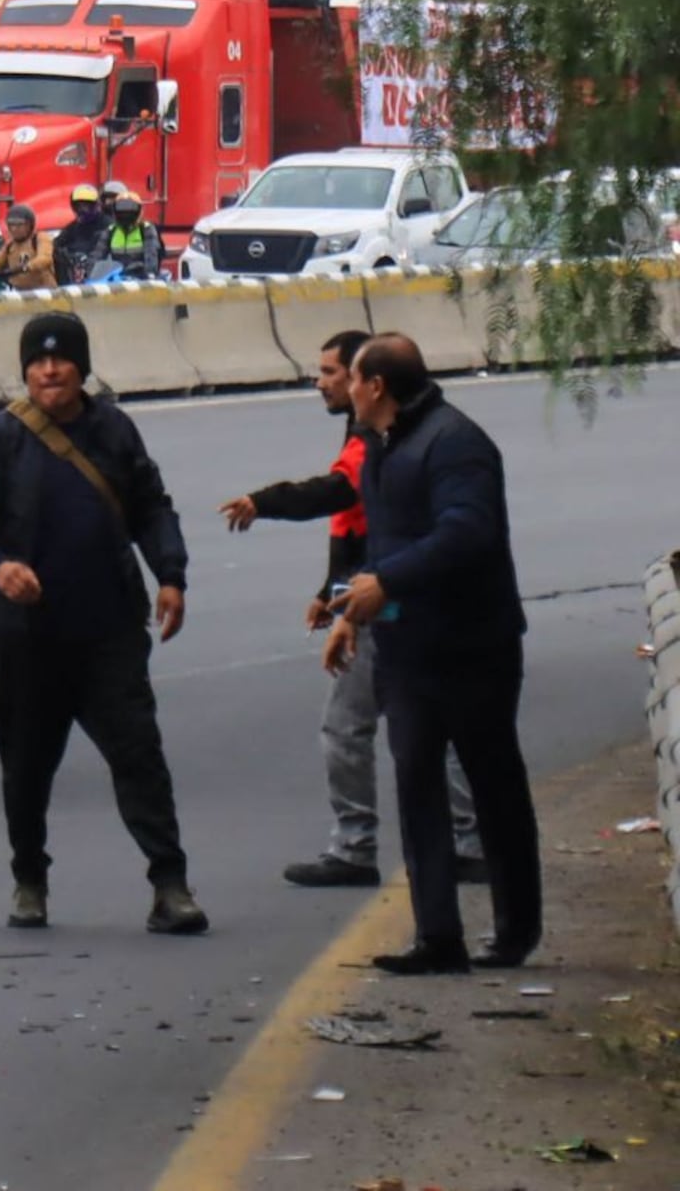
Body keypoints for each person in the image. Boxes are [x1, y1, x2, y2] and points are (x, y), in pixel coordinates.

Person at [0, 311, 207, 936]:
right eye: (37, 362)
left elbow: (151, 507)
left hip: (109, 631)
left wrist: (171, 575)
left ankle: (170, 885)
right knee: (26, 767)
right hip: (29, 638)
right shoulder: (1, 438)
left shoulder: (114, 430)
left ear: (82, 368)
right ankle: (29, 880)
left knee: (139, 756)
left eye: (60, 360)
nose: (49, 371)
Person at [219, 330, 485, 888]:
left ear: (373, 383)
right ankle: (466, 843)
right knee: (432, 723)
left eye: (334, 374)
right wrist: (330, 592)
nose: (322, 384)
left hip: (392, 604)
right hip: (386, 598)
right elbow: (361, 525)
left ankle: (360, 848)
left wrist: (263, 503)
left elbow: (342, 497)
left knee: (352, 726)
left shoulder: (392, 441)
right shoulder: (392, 434)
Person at [325, 333, 541, 975]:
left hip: (473, 647)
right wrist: (350, 611)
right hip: (407, 650)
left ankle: (515, 930)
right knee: (417, 785)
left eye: (351, 379)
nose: (345, 391)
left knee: (494, 787)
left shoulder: (454, 442)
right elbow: (382, 544)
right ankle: (437, 935)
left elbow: (467, 532)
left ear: (377, 387)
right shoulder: (381, 445)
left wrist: (386, 583)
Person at [0, 203, 56, 291]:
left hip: (45, 292)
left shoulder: (40, 238)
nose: (14, 229)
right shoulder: (10, 244)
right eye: (11, 225)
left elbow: (45, 259)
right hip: (20, 293)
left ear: (29, 225)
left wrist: (25, 267)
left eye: (19, 225)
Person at [53, 184, 110, 282]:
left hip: (100, 273)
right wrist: (68, 256)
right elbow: (57, 244)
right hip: (74, 273)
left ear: (95, 205)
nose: (82, 210)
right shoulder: (73, 227)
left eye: (86, 206)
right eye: (79, 206)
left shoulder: (107, 224)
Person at [103, 191, 164, 278]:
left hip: (141, 277)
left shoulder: (146, 229)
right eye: (121, 210)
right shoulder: (111, 230)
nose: (126, 214)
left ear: (139, 210)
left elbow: (151, 253)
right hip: (116, 276)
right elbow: (97, 254)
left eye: (130, 210)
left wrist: (150, 272)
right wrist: (89, 273)